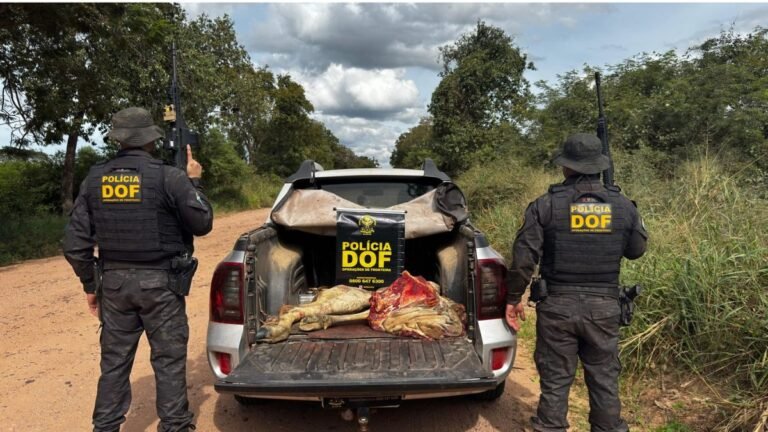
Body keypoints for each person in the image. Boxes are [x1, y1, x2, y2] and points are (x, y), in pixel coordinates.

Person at [63, 107, 213, 432]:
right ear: (150, 140)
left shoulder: (94, 179)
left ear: (117, 139)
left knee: (114, 364)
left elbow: (74, 246)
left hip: (114, 286)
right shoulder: (170, 177)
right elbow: (202, 223)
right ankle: (174, 426)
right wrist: (195, 182)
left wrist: (92, 286)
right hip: (162, 284)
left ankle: (105, 428)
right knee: (169, 360)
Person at [504, 133, 648, 432]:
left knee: (556, 381)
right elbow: (636, 251)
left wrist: (512, 298)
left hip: (557, 307)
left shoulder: (545, 205)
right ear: (599, 166)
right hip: (605, 308)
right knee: (604, 379)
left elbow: (523, 260)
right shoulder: (623, 205)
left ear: (566, 167)